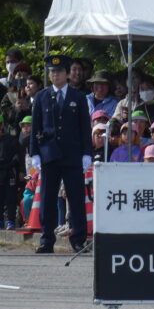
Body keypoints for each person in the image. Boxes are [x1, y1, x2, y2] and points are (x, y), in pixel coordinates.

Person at [29, 54, 92, 253]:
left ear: (67, 74)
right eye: (52, 72)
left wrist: (87, 153)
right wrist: (34, 152)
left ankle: (78, 239)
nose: (55, 75)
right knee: (47, 198)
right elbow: (36, 126)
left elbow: (84, 126)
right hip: (49, 153)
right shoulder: (42, 96)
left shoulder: (78, 97)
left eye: (59, 72)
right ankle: (46, 239)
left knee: (76, 198)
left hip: (72, 153)